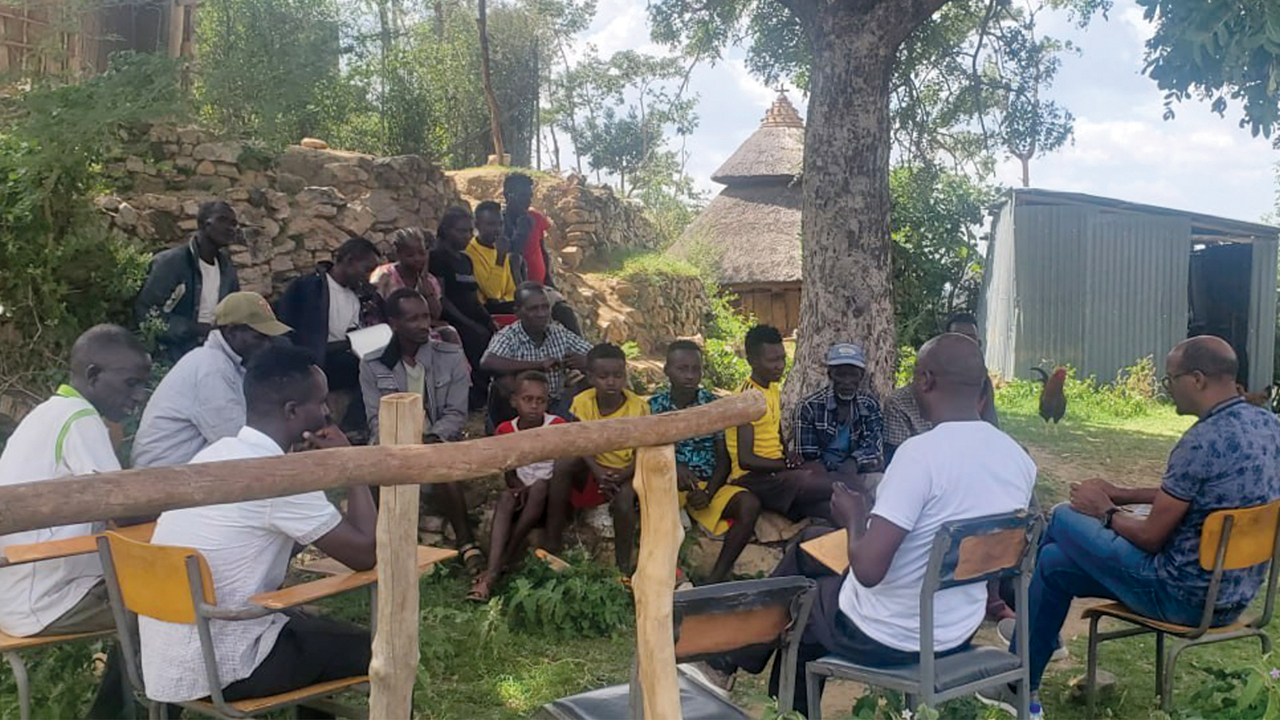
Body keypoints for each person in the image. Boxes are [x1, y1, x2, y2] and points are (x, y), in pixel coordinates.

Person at [705, 334, 1036, 712]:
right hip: (957, 627)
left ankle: (762, 688)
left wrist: (855, 513)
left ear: (925, 380)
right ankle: (731, 661)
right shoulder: (1017, 459)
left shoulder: (920, 456)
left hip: (891, 634)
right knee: (811, 542)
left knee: (800, 604)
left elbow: (867, 570)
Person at [1008, 336, 1280, 706]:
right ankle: (1019, 685)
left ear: (1197, 379)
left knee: (1060, 518)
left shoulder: (1201, 440)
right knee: (1053, 564)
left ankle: (1016, 640)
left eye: (1170, 380)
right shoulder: (1268, 424)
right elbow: (1192, 492)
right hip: (1235, 596)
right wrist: (1121, 493)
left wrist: (1104, 510)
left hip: (1178, 596)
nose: (1167, 390)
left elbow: (1151, 537)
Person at [139, 346, 377, 714]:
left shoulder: (216, 454)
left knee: (315, 634)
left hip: (169, 660)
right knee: (382, 647)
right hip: (227, 666)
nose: (329, 411)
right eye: (320, 401)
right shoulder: (278, 478)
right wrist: (351, 467)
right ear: (293, 412)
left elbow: (263, 537)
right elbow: (366, 554)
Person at [0, 325, 151, 718]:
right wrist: (187, 508)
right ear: (94, 375)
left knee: (155, 600)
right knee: (166, 608)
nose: (139, 396)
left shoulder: (53, 413)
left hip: (21, 586)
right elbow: (125, 507)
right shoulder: (78, 418)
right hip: (45, 598)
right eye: (132, 383)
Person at [358, 288, 482, 573]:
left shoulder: (449, 356)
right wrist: (400, 443)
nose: (423, 324)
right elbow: (375, 417)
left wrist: (432, 439)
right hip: (392, 441)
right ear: (394, 323)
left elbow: (455, 413)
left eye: (426, 316)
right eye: (413, 319)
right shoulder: (373, 364)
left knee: (439, 465)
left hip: (436, 439)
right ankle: (390, 546)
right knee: (372, 472)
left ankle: (466, 543)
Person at [132, 292, 291, 469]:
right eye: (260, 337)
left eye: (269, 338)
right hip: (162, 478)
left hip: (180, 473)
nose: (268, 345)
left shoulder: (224, 364)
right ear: (231, 331)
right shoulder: (211, 368)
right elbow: (237, 443)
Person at [649, 341, 762, 584]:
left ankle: (716, 578)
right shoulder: (652, 407)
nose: (690, 376)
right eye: (682, 368)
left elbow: (724, 460)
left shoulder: (712, 405)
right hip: (669, 486)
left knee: (749, 505)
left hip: (707, 486)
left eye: (696, 369)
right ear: (666, 370)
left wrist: (709, 492)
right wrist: (672, 466)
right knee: (657, 512)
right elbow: (646, 453)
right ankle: (672, 577)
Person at [546, 344, 649, 572]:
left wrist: (623, 474)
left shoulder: (639, 407)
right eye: (603, 376)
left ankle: (623, 568)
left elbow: (644, 450)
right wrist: (597, 471)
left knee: (624, 504)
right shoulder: (582, 402)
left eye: (618, 375)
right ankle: (552, 542)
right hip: (592, 468)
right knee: (563, 463)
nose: (611, 382)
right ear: (590, 377)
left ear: (625, 375)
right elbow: (577, 442)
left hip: (625, 471)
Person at [469, 371, 568, 601]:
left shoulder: (557, 426)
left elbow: (563, 468)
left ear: (548, 402)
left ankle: (499, 566)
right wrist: (517, 487)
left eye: (540, 401)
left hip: (549, 500)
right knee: (505, 497)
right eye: (527, 399)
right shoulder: (505, 430)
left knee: (541, 486)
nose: (534, 406)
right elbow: (509, 472)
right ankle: (495, 568)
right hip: (521, 496)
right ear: (514, 401)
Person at [726, 325, 838, 522]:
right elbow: (746, 460)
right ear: (752, 361)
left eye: (782, 358)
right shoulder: (746, 399)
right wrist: (783, 466)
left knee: (828, 500)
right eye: (772, 360)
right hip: (751, 478)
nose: (780, 365)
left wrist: (788, 455)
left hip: (773, 473)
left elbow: (777, 433)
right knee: (834, 486)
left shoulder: (772, 390)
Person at [276, 237, 383, 432]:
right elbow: (285, 330)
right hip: (310, 363)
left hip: (342, 360)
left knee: (381, 366)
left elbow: (352, 334)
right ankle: (352, 428)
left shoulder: (355, 297)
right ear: (349, 260)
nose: (367, 277)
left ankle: (354, 427)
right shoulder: (308, 287)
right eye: (366, 269)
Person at [883, 312, 998, 462]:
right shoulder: (902, 402)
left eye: (970, 339)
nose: (963, 346)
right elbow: (897, 461)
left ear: (979, 345)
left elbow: (991, 435)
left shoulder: (981, 386)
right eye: (956, 338)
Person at [135, 201, 241, 361]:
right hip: (173, 353)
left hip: (216, 351)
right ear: (204, 223)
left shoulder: (227, 270)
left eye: (233, 224)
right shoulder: (171, 263)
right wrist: (195, 329)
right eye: (222, 220)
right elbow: (146, 313)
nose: (230, 228)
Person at [480, 282, 592, 429]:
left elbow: (600, 356)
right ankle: (509, 430)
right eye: (534, 309)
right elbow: (487, 363)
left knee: (594, 377)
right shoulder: (508, 336)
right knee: (502, 382)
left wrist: (587, 361)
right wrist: (538, 365)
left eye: (545, 307)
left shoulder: (558, 332)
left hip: (553, 404)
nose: (542, 313)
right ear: (518, 312)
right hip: (518, 410)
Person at [790, 343, 885, 495]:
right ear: (830, 375)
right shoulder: (808, 407)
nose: (847, 381)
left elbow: (874, 448)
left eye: (852, 374)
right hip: (821, 477)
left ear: (861, 376)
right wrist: (842, 475)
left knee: (881, 483)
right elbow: (808, 457)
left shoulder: (869, 403)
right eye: (841, 374)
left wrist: (853, 462)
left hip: (856, 473)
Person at [430, 206, 496, 408]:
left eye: (469, 231)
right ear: (446, 230)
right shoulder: (438, 257)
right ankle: (472, 398)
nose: (467, 236)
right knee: (476, 337)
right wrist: (467, 324)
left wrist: (487, 319)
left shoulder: (466, 260)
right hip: (451, 318)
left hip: (471, 316)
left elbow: (473, 297)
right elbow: (442, 299)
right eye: (461, 231)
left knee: (491, 334)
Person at [502, 172, 582, 334]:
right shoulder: (500, 223)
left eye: (530, 196)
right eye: (523, 195)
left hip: (540, 286)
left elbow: (542, 250)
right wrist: (522, 231)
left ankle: (583, 355)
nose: (528, 200)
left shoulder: (534, 218)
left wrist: (549, 281)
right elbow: (512, 257)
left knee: (565, 313)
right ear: (507, 195)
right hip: (514, 291)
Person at [370, 227, 456, 342]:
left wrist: (425, 282)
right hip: (388, 331)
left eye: (422, 253)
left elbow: (435, 314)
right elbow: (376, 309)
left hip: (419, 331)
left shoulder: (430, 280)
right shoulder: (384, 275)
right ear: (398, 254)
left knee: (449, 333)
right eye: (410, 255)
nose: (417, 258)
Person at [469, 201, 520, 316]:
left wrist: (504, 300)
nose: (497, 229)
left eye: (500, 224)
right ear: (477, 225)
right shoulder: (471, 252)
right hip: (485, 310)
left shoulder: (499, 248)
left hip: (504, 305)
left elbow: (511, 290)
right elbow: (492, 294)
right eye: (491, 224)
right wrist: (500, 258)